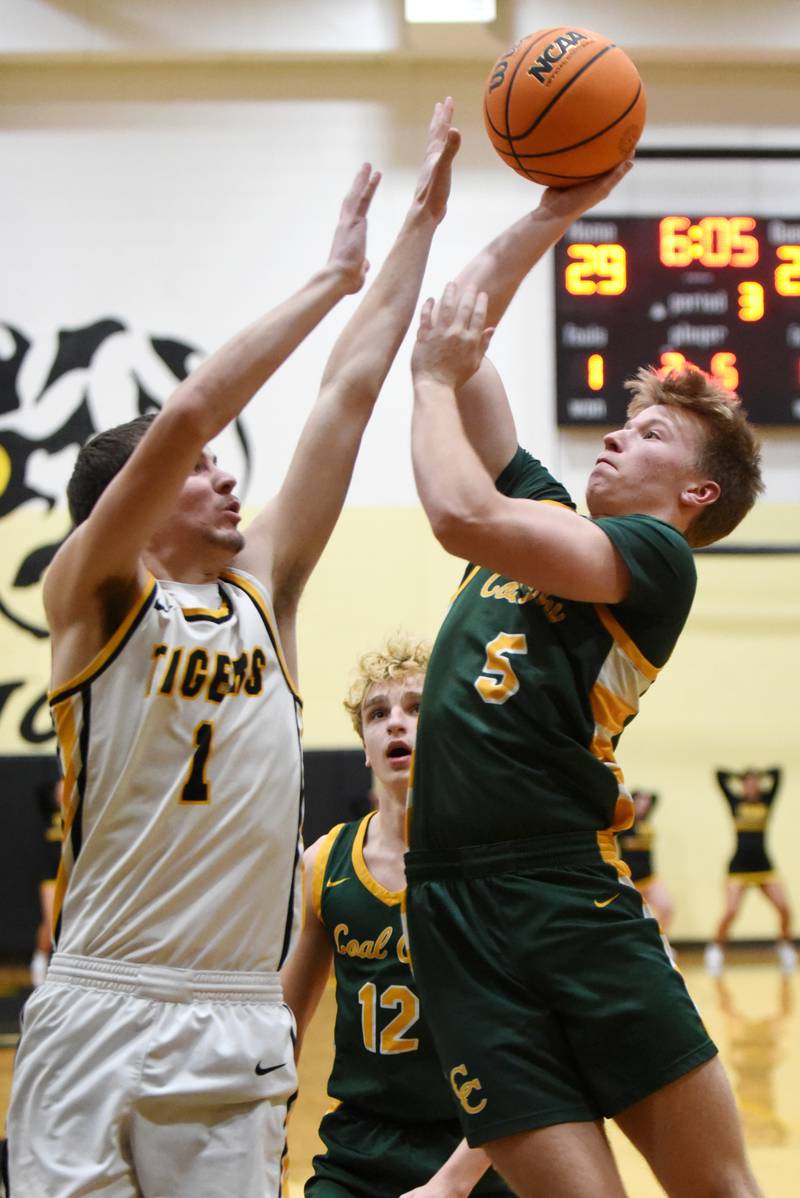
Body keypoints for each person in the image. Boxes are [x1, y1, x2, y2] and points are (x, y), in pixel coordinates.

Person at [6, 98, 460, 1198]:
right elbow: (185, 414)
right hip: (98, 995)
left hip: (234, 1005)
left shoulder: (263, 592)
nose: (223, 473)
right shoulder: (92, 595)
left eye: (222, 466)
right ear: (137, 501)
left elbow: (347, 393)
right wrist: (325, 277)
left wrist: (418, 227)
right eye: (200, 470)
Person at [403, 165, 765, 1198]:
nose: (613, 432)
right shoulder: (551, 520)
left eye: (647, 432)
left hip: (559, 886)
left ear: (694, 492)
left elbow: (457, 514)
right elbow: (456, 334)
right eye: (621, 421)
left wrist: (427, 383)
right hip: (449, 908)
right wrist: (548, 215)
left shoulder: (653, 558)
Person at [281, 634, 510, 1198]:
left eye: (415, 708)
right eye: (377, 714)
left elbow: (530, 1046)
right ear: (364, 744)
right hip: (360, 1145)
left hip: (480, 1142)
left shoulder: (494, 861)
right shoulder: (324, 863)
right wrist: (262, 1138)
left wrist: (451, 1186)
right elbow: (283, 1025)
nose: (396, 724)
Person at [705, 766, 796, 976]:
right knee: (731, 911)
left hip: (764, 865)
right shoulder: (735, 802)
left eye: (755, 782)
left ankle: (785, 947)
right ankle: (715, 950)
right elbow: (719, 775)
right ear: (742, 785)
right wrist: (740, 775)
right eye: (747, 782)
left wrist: (759, 775)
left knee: (784, 908)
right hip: (738, 866)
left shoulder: (766, 802)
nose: (751, 785)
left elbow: (778, 773)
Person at [618, 788, 674, 938]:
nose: (643, 805)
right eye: (639, 802)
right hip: (631, 882)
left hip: (650, 879)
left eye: (645, 803)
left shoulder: (646, 820)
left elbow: (656, 797)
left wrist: (645, 796)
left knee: (667, 907)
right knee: (630, 917)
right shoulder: (624, 823)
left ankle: (659, 941)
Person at [29, 776, 64, 988]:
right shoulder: (49, 814)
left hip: (72, 876)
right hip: (51, 875)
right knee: (51, 922)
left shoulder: (77, 814)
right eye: (59, 788)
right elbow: (40, 790)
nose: (63, 791)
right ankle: (39, 963)